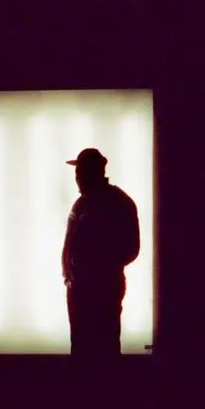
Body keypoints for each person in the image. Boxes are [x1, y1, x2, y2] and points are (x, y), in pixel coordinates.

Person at [61, 148, 140, 361]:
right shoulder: (83, 203)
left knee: (103, 346)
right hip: (79, 289)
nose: (76, 177)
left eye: (80, 171)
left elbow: (131, 248)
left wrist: (97, 269)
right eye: (76, 172)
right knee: (81, 346)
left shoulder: (117, 202)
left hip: (101, 290)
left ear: (94, 171)